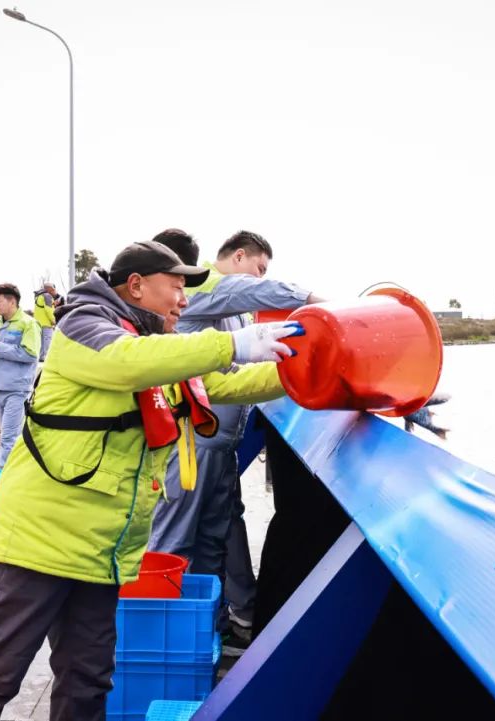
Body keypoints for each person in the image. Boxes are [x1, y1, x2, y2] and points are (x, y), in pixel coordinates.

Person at [0, 240, 302, 721]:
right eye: (176, 288)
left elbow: (227, 385)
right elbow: (125, 361)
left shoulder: (160, 352)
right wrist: (231, 343)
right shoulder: (85, 328)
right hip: (38, 545)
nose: (185, 301)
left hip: (99, 555)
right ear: (137, 287)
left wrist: (299, 369)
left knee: (88, 679)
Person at [148, 230, 322, 654]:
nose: (260, 279)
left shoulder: (233, 313)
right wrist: (316, 299)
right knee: (175, 539)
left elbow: (236, 376)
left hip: (220, 446)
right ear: (240, 256)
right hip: (193, 443)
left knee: (212, 539)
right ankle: (158, 635)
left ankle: (215, 630)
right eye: (259, 267)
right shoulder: (205, 286)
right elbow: (256, 292)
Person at [0, 283, 40, 467]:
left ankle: (0, 476)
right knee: (9, 435)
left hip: (17, 389)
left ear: (12, 302)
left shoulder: (28, 323)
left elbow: (31, 354)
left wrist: (0, 348)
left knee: (8, 437)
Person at [33, 282, 57, 360]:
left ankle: (41, 357)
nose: (55, 291)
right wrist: (53, 320)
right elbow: (48, 310)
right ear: (49, 289)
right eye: (53, 289)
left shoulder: (39, 296)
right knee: (47, 341)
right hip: (46, 323)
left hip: (38, 323)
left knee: (40, 342)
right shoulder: (47, 296)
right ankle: (46, 358)